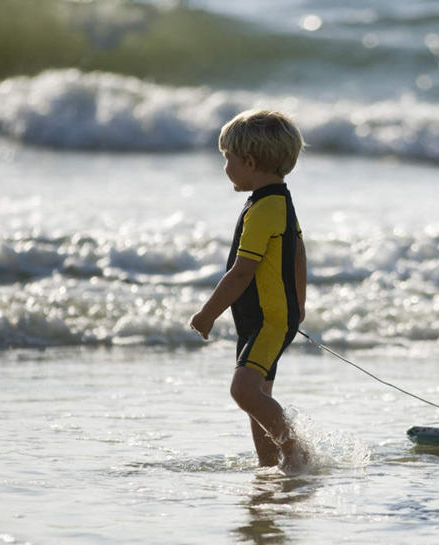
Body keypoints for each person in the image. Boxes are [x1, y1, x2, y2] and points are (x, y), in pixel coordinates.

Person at [189, 109, 307, 470]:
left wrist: (206, 315)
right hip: (266, 318)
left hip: (269, 320)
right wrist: (298, 307)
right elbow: (298, 252)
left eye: (227, 159)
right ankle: (269, 466)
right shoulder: (276, 201)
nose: (225, 167)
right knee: (259, 394)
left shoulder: (264, 208)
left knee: (243, 392)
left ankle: (297, 453)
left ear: (250, 161)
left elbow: (241, 273)